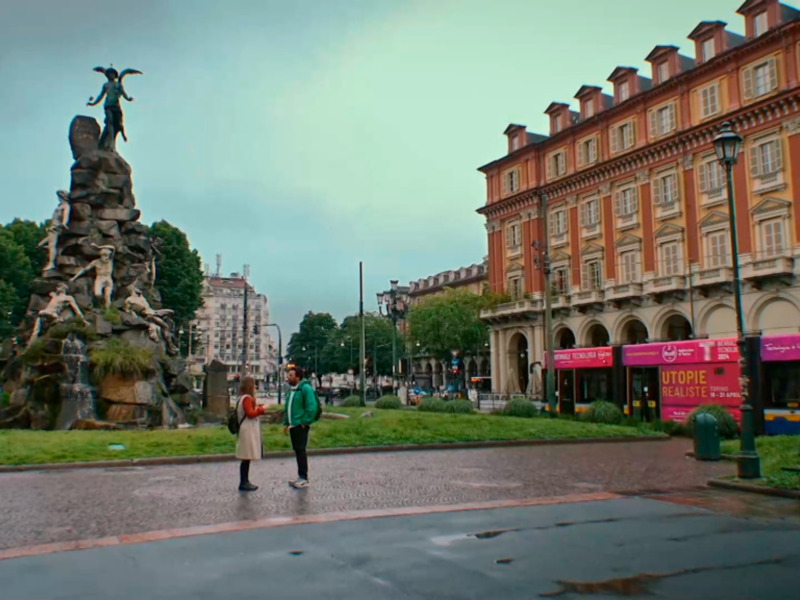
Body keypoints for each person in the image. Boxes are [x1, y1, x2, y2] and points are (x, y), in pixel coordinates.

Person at [283, 366, 318, 489]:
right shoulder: (293, 389)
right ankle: (300, 476)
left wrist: (304, 422)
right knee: (298, 451)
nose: (288, 377)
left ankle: (304, 478)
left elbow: (311, 406)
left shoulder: (305, 388)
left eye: (291, 375)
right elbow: (288, 407)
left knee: (301, 450)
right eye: (288, 375)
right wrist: (286, 423)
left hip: (300, 425)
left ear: (298, 376)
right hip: (294, 425)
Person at [236, 376, 265, 492]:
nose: (256, 387)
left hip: (245, 428)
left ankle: (245, 481)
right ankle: (244, 482)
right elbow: (250, 413)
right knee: (246, 456)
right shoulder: (247, 398)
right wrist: (261, 410)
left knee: (246, 456)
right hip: (247, 429)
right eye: (254, 384)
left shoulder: (241, 398)